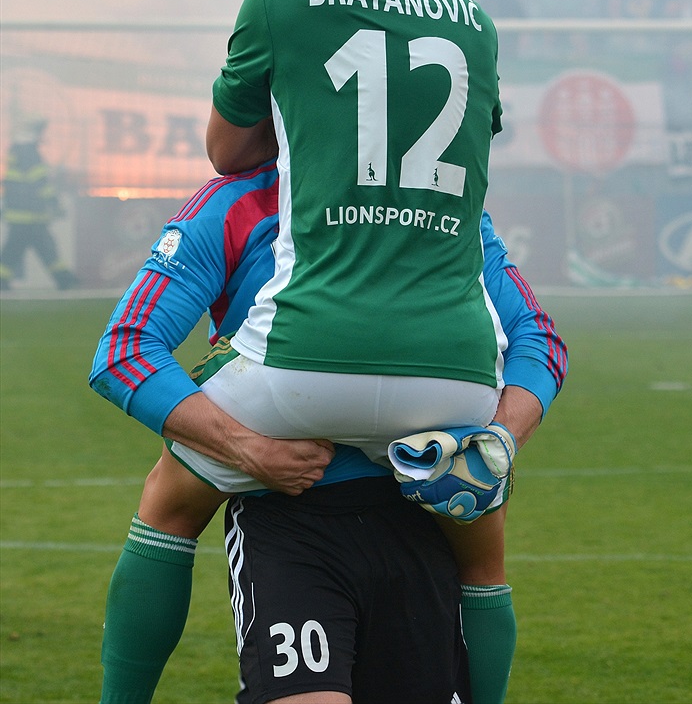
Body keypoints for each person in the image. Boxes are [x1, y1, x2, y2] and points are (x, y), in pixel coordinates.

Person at [90, 163, 567, 704]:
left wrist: (499, 439)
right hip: (304, 515)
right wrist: (495, 442)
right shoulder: (440, 205)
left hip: (396, 515)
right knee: (483, 542)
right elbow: (540, 343)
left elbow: (123, 353)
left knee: (170, 496)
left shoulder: (243, 200)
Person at [0, 115, 79, 290]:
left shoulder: (18, 152)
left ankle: (63, 278)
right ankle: (63, 279)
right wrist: (55, 204)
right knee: (43, 249)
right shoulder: (29, 153)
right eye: (39, 132)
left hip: (22, 216)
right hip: (30, 216)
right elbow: (41, 183)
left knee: (19, 250)